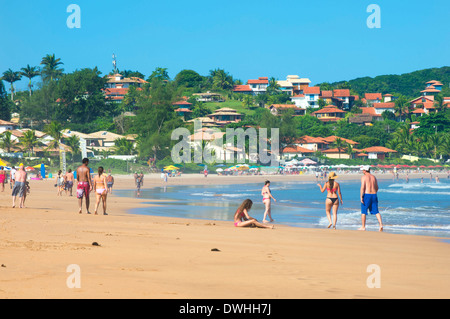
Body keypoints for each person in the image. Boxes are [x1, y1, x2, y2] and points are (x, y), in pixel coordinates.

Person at [359, 166, 383, 232]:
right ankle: (381, 224)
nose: (362, 171)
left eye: (363, 170)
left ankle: (363, 226)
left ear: (365, 170)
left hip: (367, 195)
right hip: (374, 194)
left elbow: (363, 187)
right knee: (376, 211)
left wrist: (361, 196)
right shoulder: (373, 177)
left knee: (364, 211)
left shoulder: (364, 177)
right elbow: (377, 187)